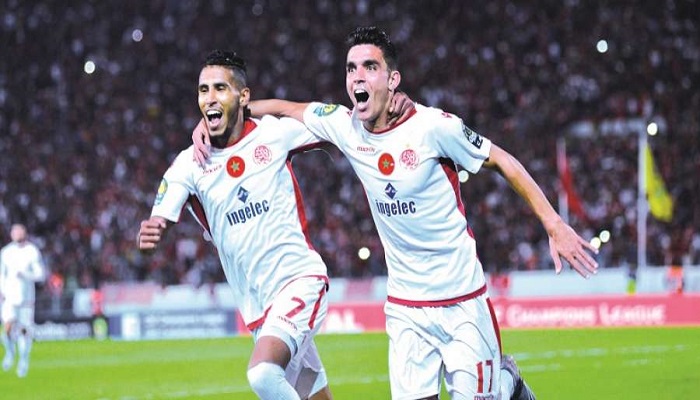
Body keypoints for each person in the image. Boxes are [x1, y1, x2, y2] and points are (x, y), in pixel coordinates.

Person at [193, 27, 599, 400]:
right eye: (351, 68)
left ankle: (507, 382)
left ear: (392, 80)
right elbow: (287, 109)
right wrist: (223, 119)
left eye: (370, 67)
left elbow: (503, 160)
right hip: (406, 310)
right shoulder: (345, 125)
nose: (358, 77)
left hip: (462, 302)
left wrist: (554, 224)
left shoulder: (434, 128)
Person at [138, 50, 334, 400]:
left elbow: (332, 121)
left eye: (220, 88)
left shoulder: (273, 135)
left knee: (263, 374)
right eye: (203, 90)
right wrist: (153, 228)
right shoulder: (189, 164)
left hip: (300, 281)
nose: (209, 97)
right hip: (258, 308)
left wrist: (255, 108)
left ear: (243, 96)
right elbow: (161, 215)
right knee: (310, 393)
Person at [1, 223, 47, 378]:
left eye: (20, 231)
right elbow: (2, 273)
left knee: (23, 330)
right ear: (11, 234)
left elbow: (41, 274)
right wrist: (2, 290)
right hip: (9, 297)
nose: (17, 234)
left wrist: (26, 274)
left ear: (24, 233)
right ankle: (10, 352)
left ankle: (23, 360)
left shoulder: (32, 251)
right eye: (15, 232)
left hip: (26, 298)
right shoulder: (6, 252)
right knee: (7, 328)